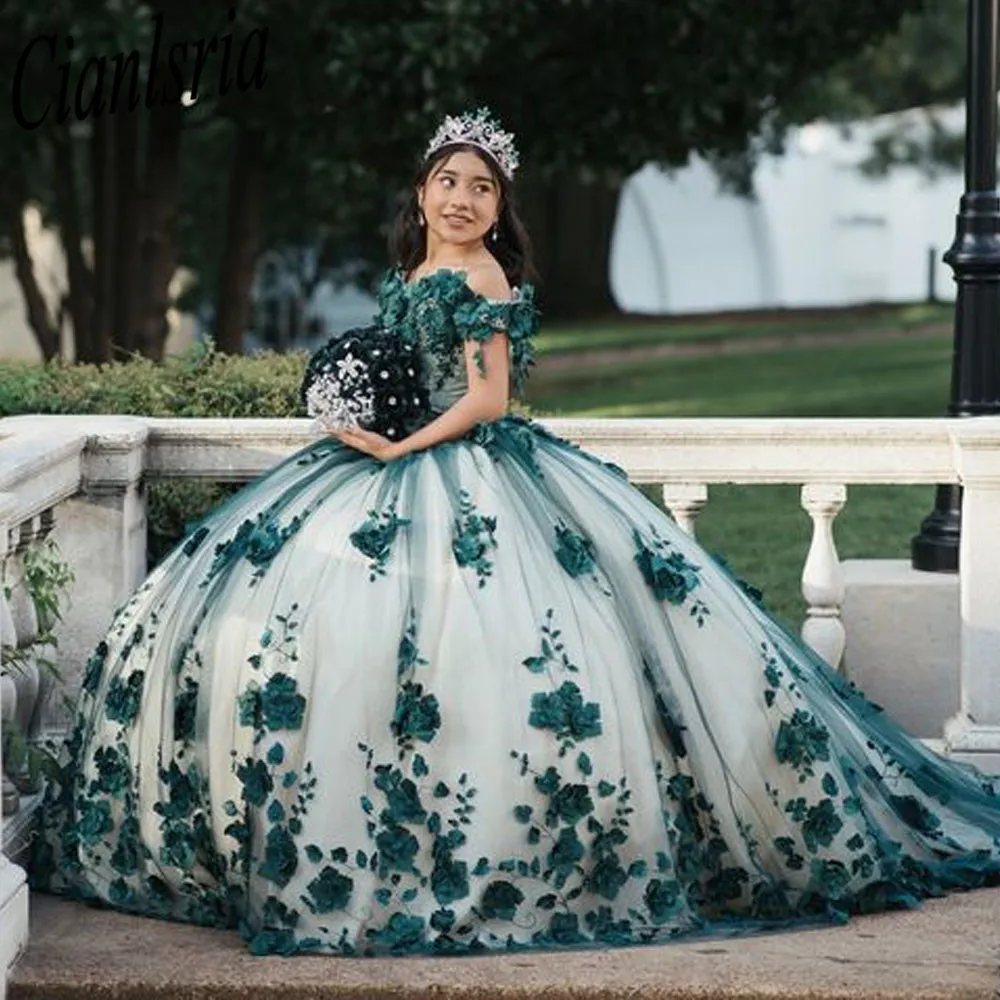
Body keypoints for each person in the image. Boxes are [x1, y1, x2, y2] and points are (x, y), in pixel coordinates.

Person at [31, 108, 1000, 958]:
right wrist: (360, 416)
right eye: (446, 181)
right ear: (421, 192)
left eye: (479, 187)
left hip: (467, 466)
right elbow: (402, 361)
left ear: (499, 208)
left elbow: (490, 398)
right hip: (397, 454)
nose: (460, 198)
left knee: (492, 647)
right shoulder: (414, 263)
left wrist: (400, 442)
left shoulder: (484, 274)